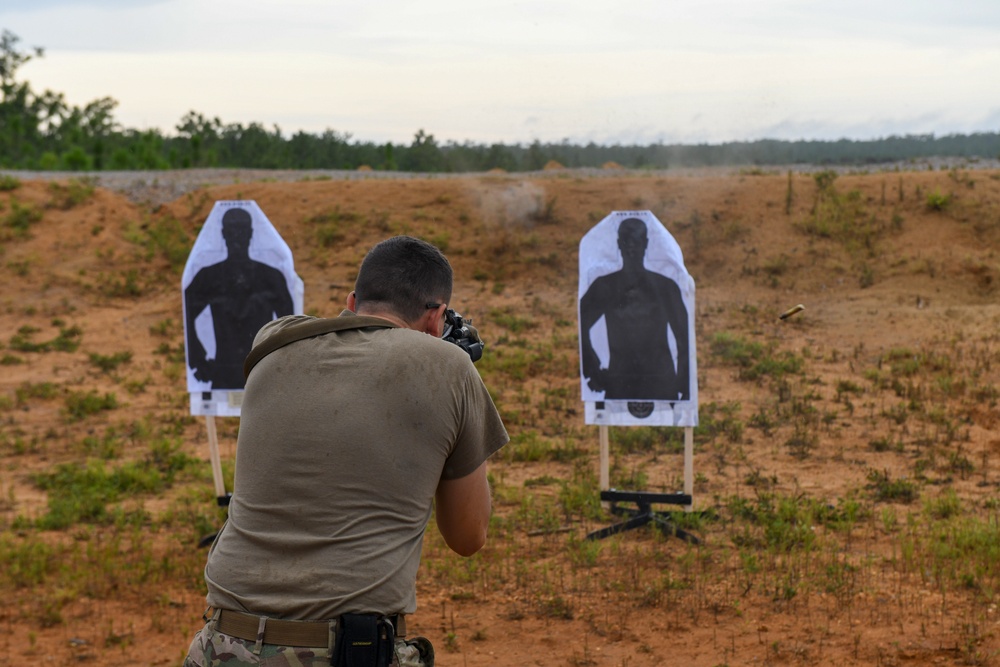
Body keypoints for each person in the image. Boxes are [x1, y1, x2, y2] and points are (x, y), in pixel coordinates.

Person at [184, 235, 508, 667]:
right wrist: (447, 360)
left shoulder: (272, 344)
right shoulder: (448, 368)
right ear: (437, 317)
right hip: (340, 653)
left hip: (222, 644)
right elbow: (468, 536)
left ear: (353, 301)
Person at [579, 217, 690, 401]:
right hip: (619, 381)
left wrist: (684, 384)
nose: (631, 248)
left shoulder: (665, 287)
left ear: (645, 244)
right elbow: (581, 322)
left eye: (636, 242)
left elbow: (684, 336)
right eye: (626, 242)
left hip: (660, 381)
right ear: (619, 244)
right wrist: (592, 369)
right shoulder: (605, 286)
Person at [184, 207, 295, 390]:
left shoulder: (271, 277)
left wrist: (282, 363)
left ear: (250, 233)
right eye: (232, 231)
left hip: (261, 370)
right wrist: (197, 357)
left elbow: (290, 326)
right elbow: (187, 310)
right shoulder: (209, 276)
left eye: (241, 231)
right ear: (224, 234)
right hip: (225, 370)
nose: (237, 237)